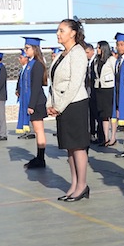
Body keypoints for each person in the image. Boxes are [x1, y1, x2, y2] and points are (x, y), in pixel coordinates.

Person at [46, 18, 90, 200]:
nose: (58, 33)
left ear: (73, 33)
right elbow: (53, 82)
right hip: (62, 106)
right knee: (69, 148)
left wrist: (59, 106)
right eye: (58, 30)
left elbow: (75, 83)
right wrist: (51, 103)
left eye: (62, 30)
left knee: (78, 147)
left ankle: (82, 185)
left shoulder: (78, 53)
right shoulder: (61, 55)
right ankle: (73, 184)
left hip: (75, 104)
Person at [22, 38, 49, 169]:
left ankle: (41, 158)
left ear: (35, 49)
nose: (25, 50)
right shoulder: (30, 63)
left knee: (39, 131)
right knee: (37, 130)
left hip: (37, 102)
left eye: (27, 48)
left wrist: (31, 105)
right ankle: (39, 157)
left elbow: (36, 86)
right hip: (33, 101)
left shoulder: (37, 64)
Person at [93, 40, 117, 147]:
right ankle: (106, 137)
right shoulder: (96, 60)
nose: (97, 50)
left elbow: (116, 73)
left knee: (111, 114)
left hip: (109, 88)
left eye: (98, 47)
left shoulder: (111, 59)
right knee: (103, 114)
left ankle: (113, 137)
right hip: (99, 88)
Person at [15, 50, 32, 138]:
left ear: (26, 58)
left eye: (21, 57)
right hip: (23, 94)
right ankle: (26, 131)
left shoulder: (29, 68)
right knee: (23, 111)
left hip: (28, 94)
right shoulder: (23, 69)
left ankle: (30, 131)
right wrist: (17, 90)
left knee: (28, 112)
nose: (19, 59)